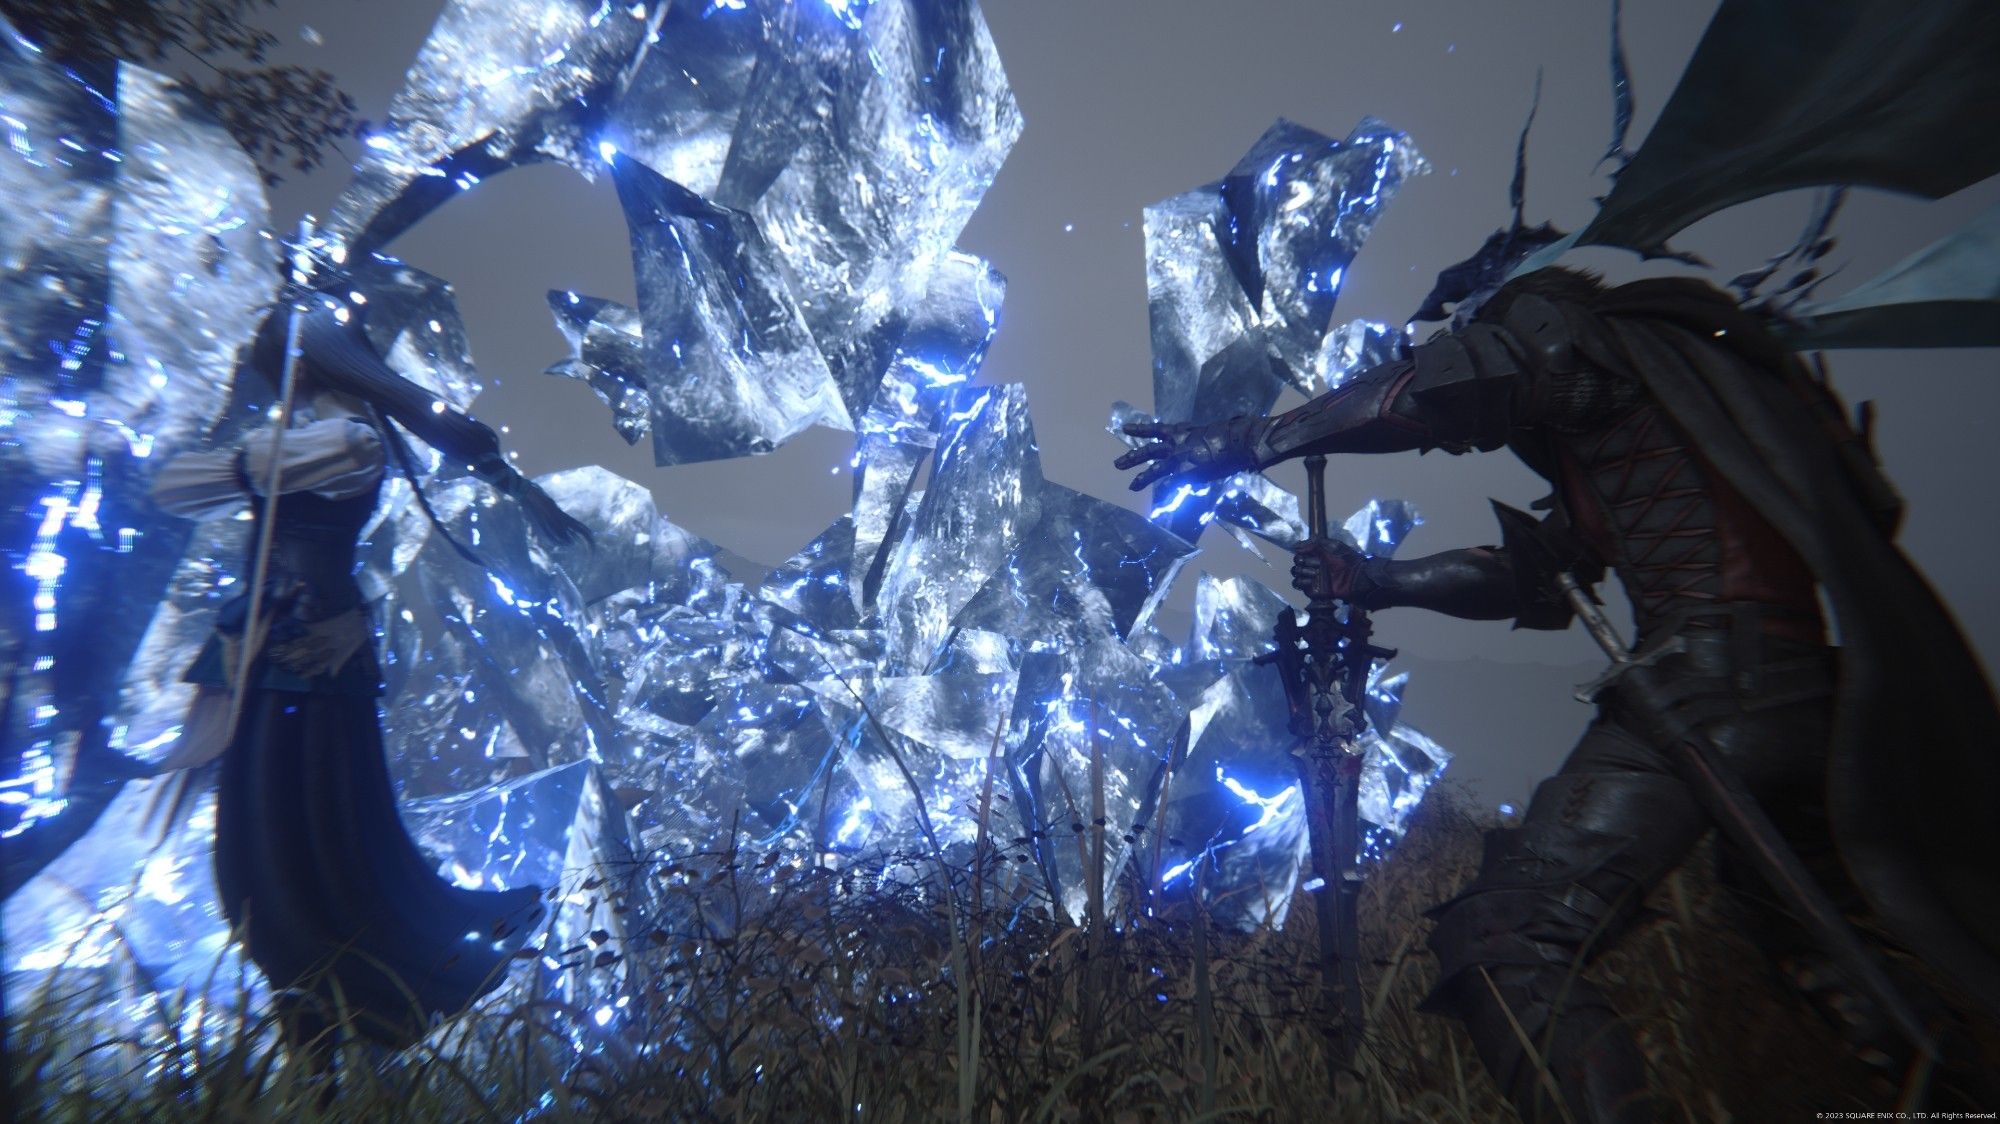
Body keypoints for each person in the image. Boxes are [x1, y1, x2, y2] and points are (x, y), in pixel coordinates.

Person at [1115, 264, 2000, 1122]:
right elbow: (1535, 579)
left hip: (1707, 692)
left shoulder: (1588, 341)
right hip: (1804, 691)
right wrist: (1377, 580)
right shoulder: (1676, 404)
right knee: (1845, 963)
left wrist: (1249, 441)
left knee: (1505, 943)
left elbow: (1449, 388)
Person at [149, 294, 591, 1067]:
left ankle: (344, 1007)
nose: (270, 389)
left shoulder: (350, 441)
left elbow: (226, 478)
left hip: (308, 658)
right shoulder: (304, 440)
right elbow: (173, 489)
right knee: (263, 842)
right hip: (272, 657)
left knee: (303, 844)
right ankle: (314, 1013)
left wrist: (252, 457)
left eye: (274, 369)